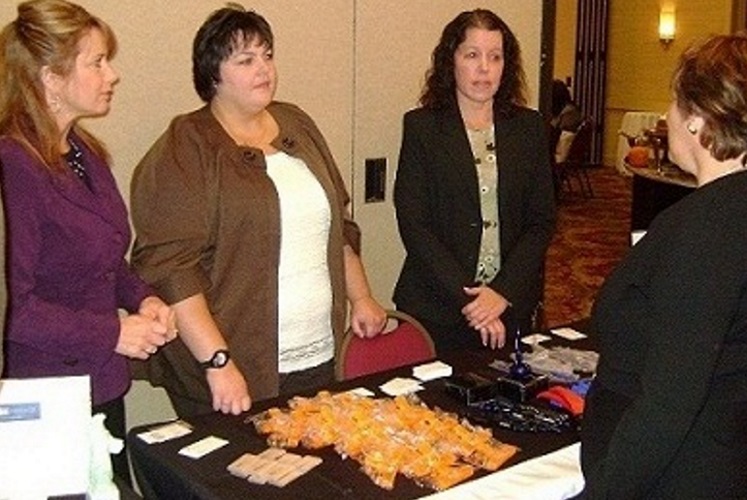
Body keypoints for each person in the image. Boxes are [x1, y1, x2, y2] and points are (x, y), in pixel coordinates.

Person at [578, 32, 747, 498]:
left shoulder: (709, 224)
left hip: (679, 474)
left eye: (674, 103)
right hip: (728, 454)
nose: (667, 116)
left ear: (698, 120)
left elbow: (669, 400)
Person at [131, 5, 387, 417]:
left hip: (316, 353)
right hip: (229, 368)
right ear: (213, 75)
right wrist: (218, 362)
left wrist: (362, 297)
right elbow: (172, 269)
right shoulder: (187, 143)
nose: (264, 69)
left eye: (267, 55)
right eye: (245, 60)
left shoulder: (295, 122)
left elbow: (337, 226)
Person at [0, 0, 175, 478]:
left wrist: (144, 298)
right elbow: (14, 308)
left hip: (101, 382)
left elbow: (106, 258)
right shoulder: (13, 166)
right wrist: (114, 332)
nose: (112, 75)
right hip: (43, 396)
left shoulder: (83, 151)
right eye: (96, 62)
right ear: (51, 78)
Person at [393, 9, 554, 354]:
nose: (484, 68)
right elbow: (415, 225)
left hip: (509, 305)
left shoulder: (529, 128)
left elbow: (541, 221)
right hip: (438, 306)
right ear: (451, 61)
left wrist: (501, 293)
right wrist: (474, 303)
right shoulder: (422, 128)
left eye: (495, 57)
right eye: (472, 55)